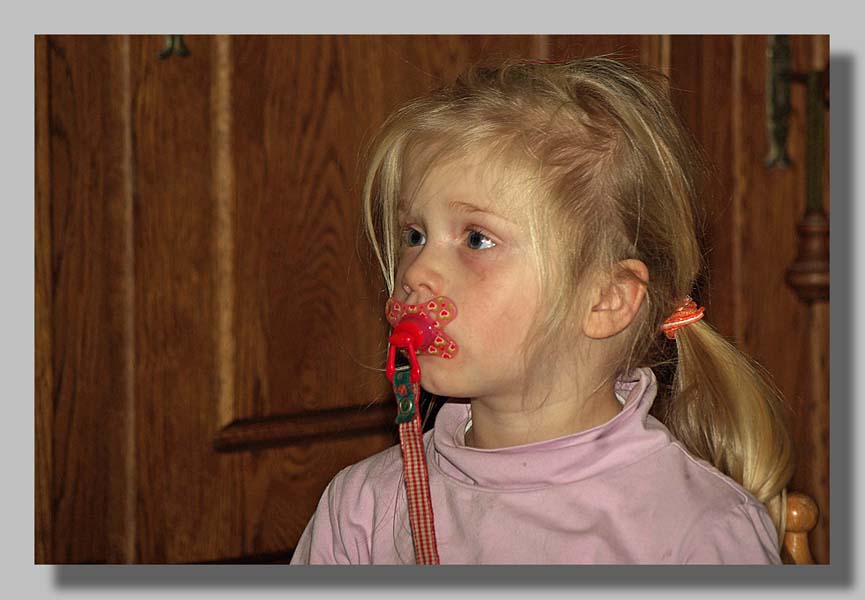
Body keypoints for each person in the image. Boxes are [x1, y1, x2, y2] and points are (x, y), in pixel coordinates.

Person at [289, 56, 794, 564]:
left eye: (476, 238)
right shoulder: (362, 510)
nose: (416, 272)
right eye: (414, 235)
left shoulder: (697, 533)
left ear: (606, 299)